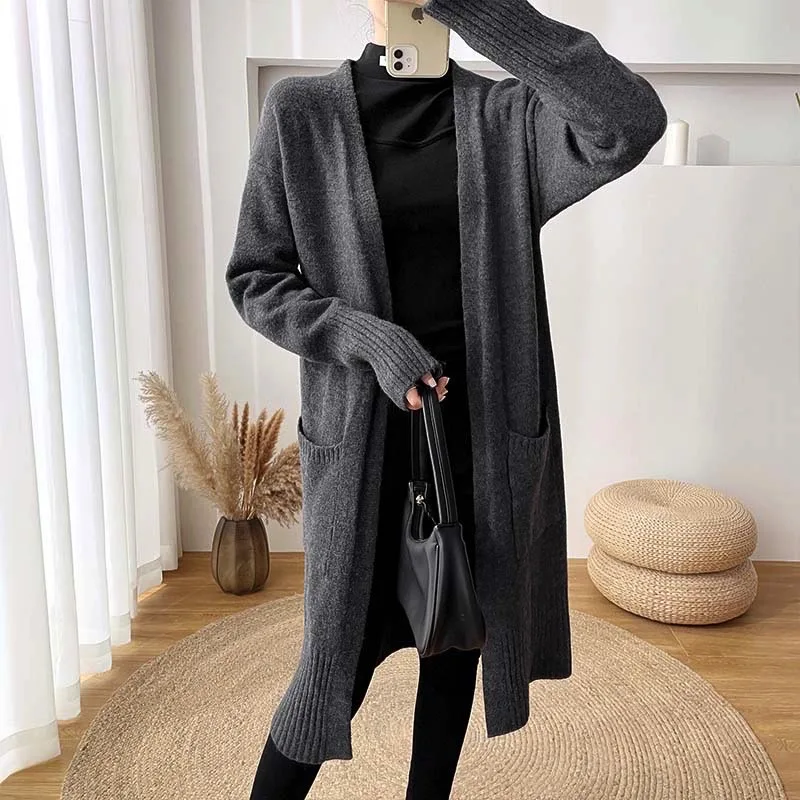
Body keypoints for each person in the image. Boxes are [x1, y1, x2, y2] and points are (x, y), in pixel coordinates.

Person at [226, 0, 668, 797]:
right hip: (362, 441)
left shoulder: (505, 117)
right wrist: (367, 339)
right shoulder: (302, 112)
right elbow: (256, 277)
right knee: (333, 667)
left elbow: (629, 123)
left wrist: (480, 10)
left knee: (457, 632)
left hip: (482, 433)